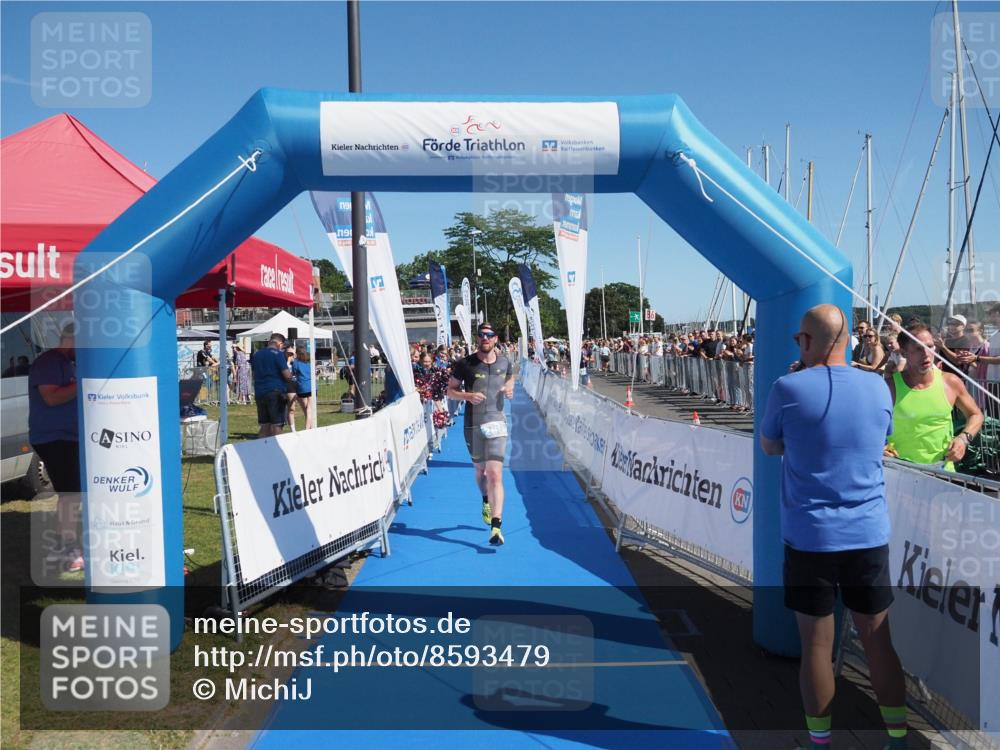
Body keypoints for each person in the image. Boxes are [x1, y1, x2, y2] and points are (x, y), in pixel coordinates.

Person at [761, 304, 908, 750]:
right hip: (867, 534)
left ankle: (821, 742)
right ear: (847, 342)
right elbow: (878, 441)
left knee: (817, 647)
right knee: (878, 640)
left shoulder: (786, 387)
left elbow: (770, 446)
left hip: (811, 538)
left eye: (799, 339)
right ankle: (898, 738)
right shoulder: (879, 388)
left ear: (807, 341)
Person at [447, 322, 514, 546]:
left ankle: (496, 527)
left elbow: (510, 377)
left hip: (496, 422)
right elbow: (450, 391)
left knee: (495, 474)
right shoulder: (465, 364)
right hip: (473, 425)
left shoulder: (505, 361)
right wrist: (467, 396)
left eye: (489, 335)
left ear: (496, 339)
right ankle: (485, 499)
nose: (485, 338)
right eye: (481, 335)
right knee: (481, 472)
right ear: (478, 339)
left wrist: (510, 387)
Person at [885, 323, 983, 472]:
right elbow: (865, 425)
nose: (926, 353)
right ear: (903, 353)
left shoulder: (950, 382)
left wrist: (963, 439)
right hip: (900, 470)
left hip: (943, 469)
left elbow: (976, 414)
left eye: (930, 346)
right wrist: (879, 446)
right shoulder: (889, 386)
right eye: (918, 348)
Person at [28, 324, 83, 572]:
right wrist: (82, 383)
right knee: (70, 495)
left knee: (71, 494)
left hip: (68, 437)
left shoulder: (67, 363)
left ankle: (65, 547)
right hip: (53, 438)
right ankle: (67, 550)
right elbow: (51, 398)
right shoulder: (49, 361)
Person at [252, 333, 295, 437]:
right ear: (280, 344)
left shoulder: (257, 354)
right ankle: (277, 451)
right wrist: (293, 377)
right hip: (275, 392)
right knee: (277, 425)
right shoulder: (278, 354)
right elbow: (287, 375)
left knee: (264, 425)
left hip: (260, 392)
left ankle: (262, 450)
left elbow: (253, 374)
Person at [291, 346, 314, 431]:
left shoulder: (296, 363)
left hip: (302, 388)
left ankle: (308, 428)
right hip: (311, 387)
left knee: (306, 409)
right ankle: (309, 428)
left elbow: (293, 373)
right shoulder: (309, 364)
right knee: (309, 409)